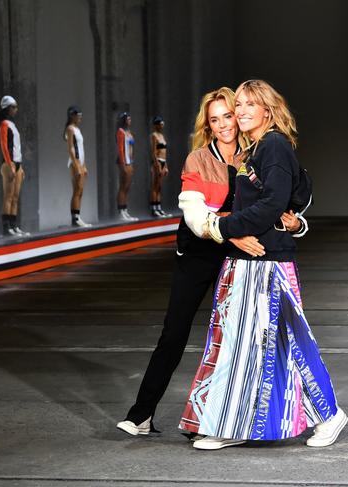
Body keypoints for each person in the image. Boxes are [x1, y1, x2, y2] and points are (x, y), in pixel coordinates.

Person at [116, 87, 306, 439]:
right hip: (200, 253)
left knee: (234, 340)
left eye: (228, 116)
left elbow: (285, 202)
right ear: (208, 125)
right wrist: (233, 235)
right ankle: (140, 414)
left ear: (240, 115)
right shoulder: (198, 159)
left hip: (241, 257)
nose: (223, 125)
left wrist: (297, 223)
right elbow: (194, 216)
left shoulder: (259, 151)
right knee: (174, 333)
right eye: (214, 120)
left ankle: (211, 420)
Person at [180, 79, 344, 450]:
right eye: (238, 105)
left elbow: (274, 202)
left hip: (268, 264)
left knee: (292, 343)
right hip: (248, 261)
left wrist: (224, 227)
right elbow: (293, 195)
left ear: (268, 110)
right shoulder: (258, 148)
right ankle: (234, 425)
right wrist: (284, 219)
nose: (240, 112)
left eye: (249, 105)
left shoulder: (272, 145)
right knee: (242, 347)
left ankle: (331, 416)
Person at [0, 95, 29, 236]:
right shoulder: (4, 124)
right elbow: (4, 145)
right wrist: (9, 163)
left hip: (17, 162)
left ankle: (14, 225)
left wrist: (20, 166)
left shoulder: (13, 125)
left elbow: (17, 147)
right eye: (13, 107)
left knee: (15, 196)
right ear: (7, 108)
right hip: (8, 162)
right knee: (8, 196)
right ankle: (6, 227)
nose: (16, 109)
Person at [64, 106, 91, 227]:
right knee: (77, 190)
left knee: (80, 191)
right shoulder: (70, 129)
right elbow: (70, 148)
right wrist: (77, 165)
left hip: (80, 162)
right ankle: (75, 219)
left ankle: (77, 216)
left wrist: (84, 165)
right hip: (75, 163)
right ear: (72, 115)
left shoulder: (77, 129)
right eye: (78, 115)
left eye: (81, 115)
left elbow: (81, 149)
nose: (80, 117)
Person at [115, 112, 138, 221]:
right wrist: (123, 164)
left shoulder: (129, 133)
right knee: (123, 186)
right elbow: (120, 149)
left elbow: (132, 148)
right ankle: (121, 211)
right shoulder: (121, 132)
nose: (130, 121)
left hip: (130, 162)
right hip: (124, 162)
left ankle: (125, 210)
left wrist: (132, 162)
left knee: (127, 186)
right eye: (128, 119)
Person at [150, 116, 171, 217]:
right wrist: (156, 164)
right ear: (157, 124)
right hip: (157, 161)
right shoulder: (154, 136)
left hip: (163, 161)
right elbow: (153, 151)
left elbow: (165, 152)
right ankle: (154, 209)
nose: (162, 125)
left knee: (159, 186)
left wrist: (165, 165)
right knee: (155, 186)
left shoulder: (162, 136)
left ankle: (159, 207)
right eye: (160, 123)